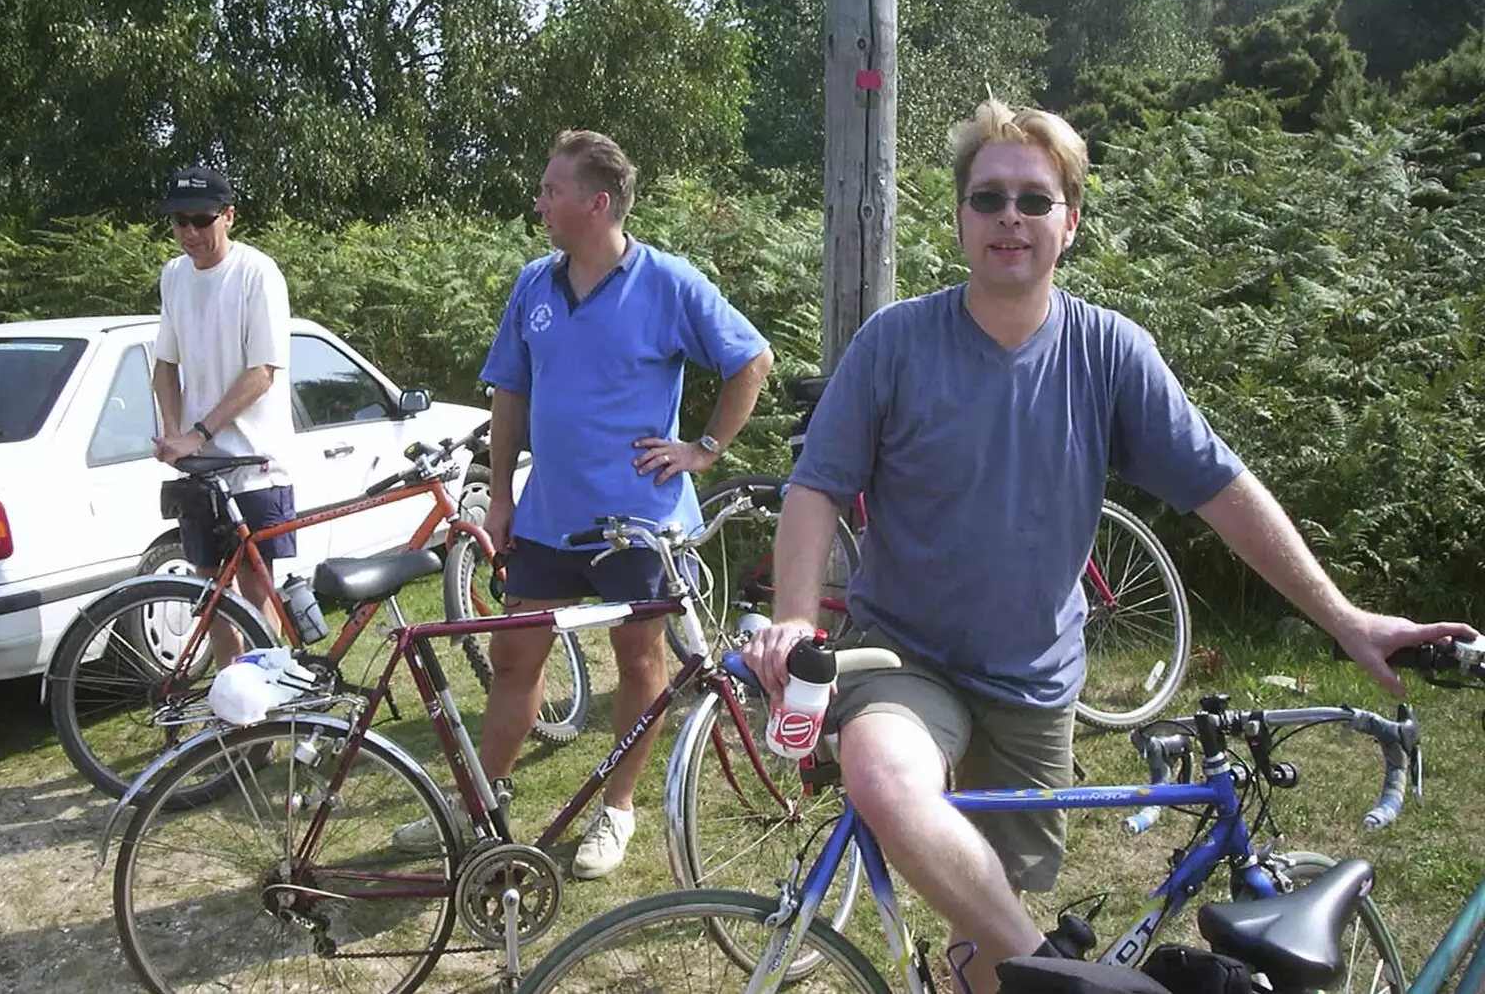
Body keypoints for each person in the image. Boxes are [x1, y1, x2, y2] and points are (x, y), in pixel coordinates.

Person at [741, 98, 1476, 994]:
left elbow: (1223, 489)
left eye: (1034, 199)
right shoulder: (895, 344)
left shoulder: (1110, 352)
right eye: (988, 197)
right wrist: (789, 618)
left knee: (986, 939)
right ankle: (1082, 986)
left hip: (1033, 680)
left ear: (1070, 221)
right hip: (905, 654)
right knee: (886, 784)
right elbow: (816, 487)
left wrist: (1346, 618)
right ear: (961, 216)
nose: (1010, 214)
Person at [395, 130, 774, 878]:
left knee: (639, 659)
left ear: (596, 203)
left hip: (640, 523)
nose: (539, 203)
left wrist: (702, 448)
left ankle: (618, 808)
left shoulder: (667, 282)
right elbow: (510, 391)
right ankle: (481, 800)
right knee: (514, 656)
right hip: (546, 516)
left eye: (551, 191)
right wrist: (500, 493)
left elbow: (750, 359)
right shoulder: (535, 283)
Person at [151, 164, 296, 666]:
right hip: (202, 468)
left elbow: (262, 372)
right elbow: (164, 365)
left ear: (228, 216)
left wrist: (198, 431)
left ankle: (261, 710)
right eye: (178, 222)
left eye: (201, 220)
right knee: (211, 599)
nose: (189, 232)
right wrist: (173, 433)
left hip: (256, 464)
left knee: (258, 596)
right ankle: (231, 711)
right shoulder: (173, 276)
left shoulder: (257, 273)